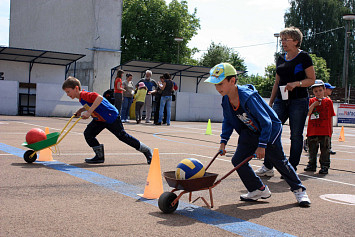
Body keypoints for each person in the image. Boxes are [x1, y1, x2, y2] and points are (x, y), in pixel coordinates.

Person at [205, 63, 311, 207]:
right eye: (215, 85)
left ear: (232, 81)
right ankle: (258, 189)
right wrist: (223, 142)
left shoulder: (248, 97)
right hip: (250, 132)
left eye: (220, 84)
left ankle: (299, 190)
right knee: (238, 160)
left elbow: (266, 122)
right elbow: (228, 120)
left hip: (269, 130)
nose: (218, 88)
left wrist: (262, 145)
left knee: (278, 161)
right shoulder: (225, 99)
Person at [255, 27, 316, 177]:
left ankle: (291, 167)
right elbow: (277, 82)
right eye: (281, 39)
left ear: (296, 41)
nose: (282, 42)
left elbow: (311, 80)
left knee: (295, 135)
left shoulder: (304, 57)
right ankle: (268, 166)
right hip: (281, 101)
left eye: (285, 39)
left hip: (299, 101)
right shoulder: (281, 58)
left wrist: (296, 84)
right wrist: (270, 103)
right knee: (271, 130)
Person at [62, 76, 152, 164]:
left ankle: (146, 150)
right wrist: (81, 110)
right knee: (88, 134)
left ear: (76, 88)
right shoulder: (81, 98)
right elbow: (90, 104)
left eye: (68, 91)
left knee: (123, 136)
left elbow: (99, 98)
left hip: (111, 117)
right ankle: (99, 156)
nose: (68, 94)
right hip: (100, 119)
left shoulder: (84, 94)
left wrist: (89, 112)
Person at [304, 80, 336, 174]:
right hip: (313, 130)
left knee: (325, 149)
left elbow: (331, 116)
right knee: (312, 149)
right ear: (313, 92)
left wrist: (331, 129)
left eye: (320, 90)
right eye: (316, 91)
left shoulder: (328, 101)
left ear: (324, 90)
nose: (318, 93)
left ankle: (324, 166)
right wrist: (314, 105)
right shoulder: (311, 101)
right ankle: (311, 164)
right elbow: (308, 113)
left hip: (325, 130)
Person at [324, 82, 336, 155]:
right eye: (330, 89)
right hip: (321, 120)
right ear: (325, 89)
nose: (331, 90)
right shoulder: (318, 99)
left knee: (328, 135)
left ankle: (329, 148)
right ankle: (306, 142)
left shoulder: (329, 99)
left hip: (327, 121)